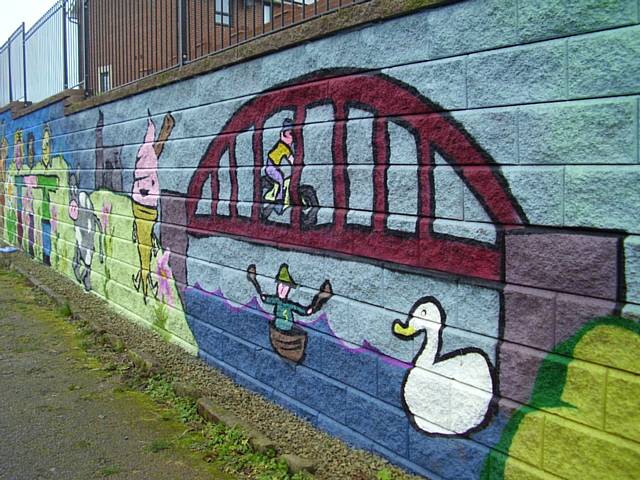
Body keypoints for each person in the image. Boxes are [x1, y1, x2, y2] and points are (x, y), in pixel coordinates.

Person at [261, 263, 312, 332]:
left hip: (287, 325)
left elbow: (296, 307)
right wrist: (265, 298)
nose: (282, 289)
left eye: (285, 287)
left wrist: (305, 311)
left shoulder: (289, 304)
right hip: (278, 324)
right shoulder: (277, 300)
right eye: (280, 285)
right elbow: (271, 300)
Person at [265, 118, 295, 213]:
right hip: (271, 167)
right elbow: (291, 159)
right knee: (281, 180)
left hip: (275, 167)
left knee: (282, 178)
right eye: (288, 134)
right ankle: (279, 203)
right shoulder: (282, 146)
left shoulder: (286, 146)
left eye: (291, 134)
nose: (290, 138)